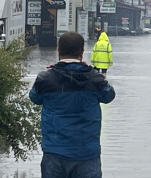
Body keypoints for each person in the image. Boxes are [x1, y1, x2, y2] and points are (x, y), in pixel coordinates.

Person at [29, 32, 115, 178]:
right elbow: (109, 95)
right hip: (87, 154)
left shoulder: (45, 79)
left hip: (54, 153)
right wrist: (91, 71)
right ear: (82, 52)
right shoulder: (94, 79)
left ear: (58, 50)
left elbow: (35, 98)